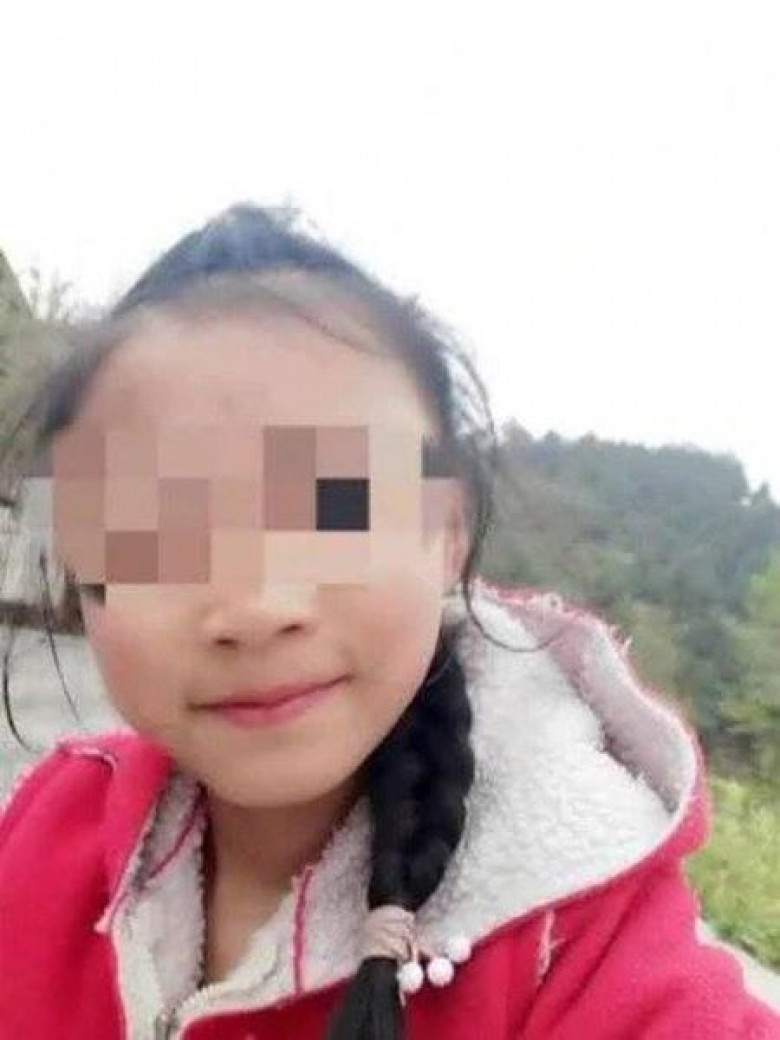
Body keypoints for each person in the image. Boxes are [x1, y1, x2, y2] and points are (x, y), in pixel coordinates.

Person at [0, 204, 777, 1040]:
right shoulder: (50, 824)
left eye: (336, 509)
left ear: (449, 532)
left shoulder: (583, 945)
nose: (256, 611)